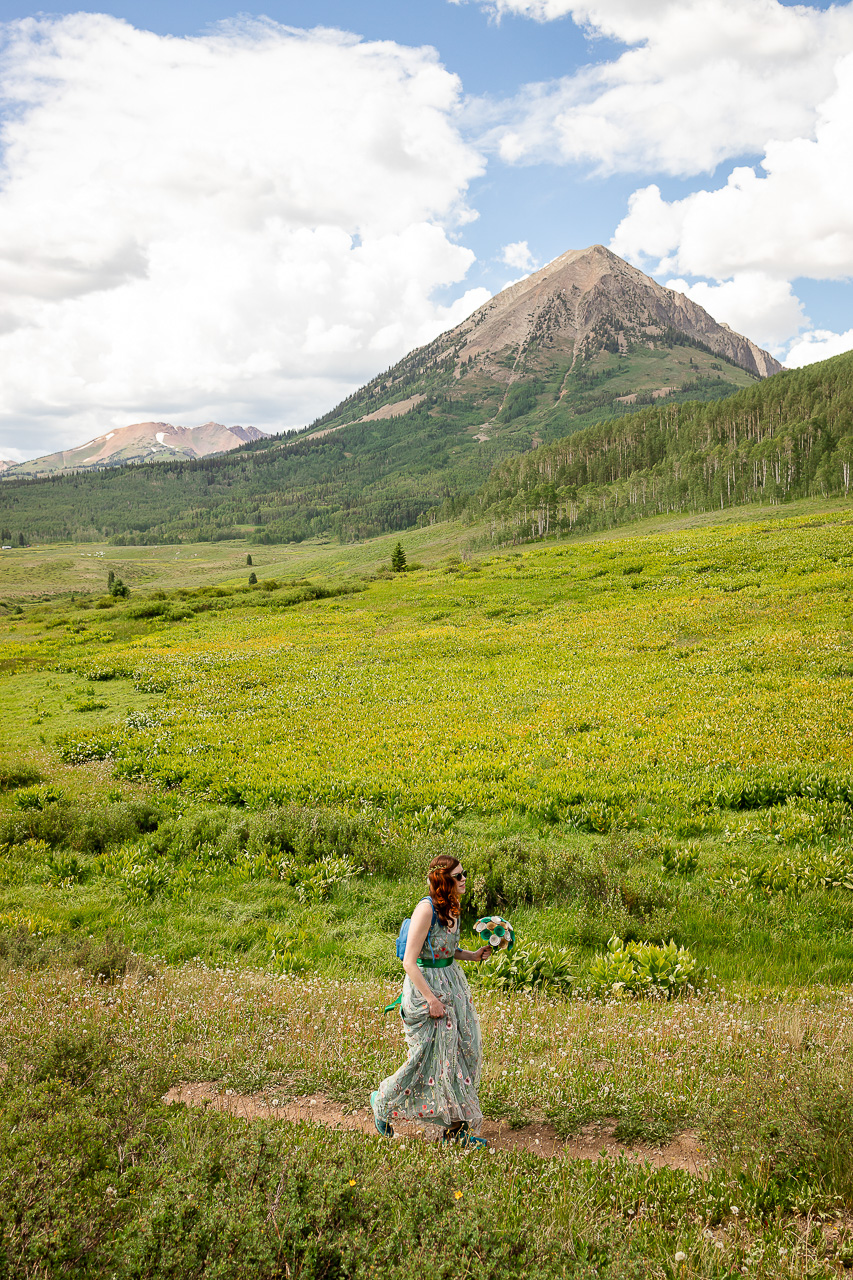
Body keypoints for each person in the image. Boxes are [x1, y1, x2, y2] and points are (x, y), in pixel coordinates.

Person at [370, 854, 490, 1147]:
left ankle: (455, 1129)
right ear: (444, 880)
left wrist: (471, 955)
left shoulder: (453, 907)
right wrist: (432, 1001)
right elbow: (410, 962)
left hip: (453, 985)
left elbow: (446, 948)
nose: (464, 880)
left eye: (464, 874)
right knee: (428, 1058)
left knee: (465, 1052)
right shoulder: (426, 910)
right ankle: (382, 1100)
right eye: (459, 876)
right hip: (428, 990)